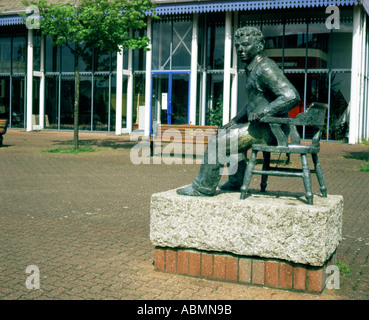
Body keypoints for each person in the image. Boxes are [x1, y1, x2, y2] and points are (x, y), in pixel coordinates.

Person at [177, 26, 300, 197]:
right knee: (227, 135)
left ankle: (202, 187)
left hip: (270, 130)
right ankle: (237, 180)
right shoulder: (252, 68)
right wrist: (234, 121)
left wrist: (264, 112)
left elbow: (291, 96)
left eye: (246, 45)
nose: (240, 50)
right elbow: (252, 103)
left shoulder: (265, 68)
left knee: (218, 143)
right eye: (237, 46)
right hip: (259, 126)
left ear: (259, 45)